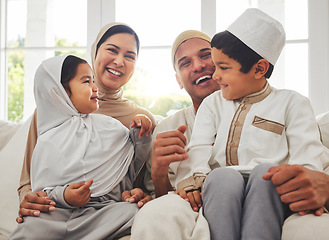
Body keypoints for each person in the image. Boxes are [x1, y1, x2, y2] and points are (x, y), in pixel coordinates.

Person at [175, 8, 324, 240]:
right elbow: (199, 148)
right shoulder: (213, 104)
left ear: (259, 69)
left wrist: (305, 187)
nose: (215, 76)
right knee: (222, 177)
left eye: (223, 68)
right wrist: (196, 180)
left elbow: (308, 155)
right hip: (222, 185)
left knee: (267, 173)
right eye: (216, 66)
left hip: (269, 186)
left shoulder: (293, 103)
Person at [16, 23, 155, 223]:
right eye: (112, 50)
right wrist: (30, 201)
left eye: (130, 56)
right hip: (58, 212)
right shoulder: (52, 112)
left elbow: (139, 182)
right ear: (95, 52)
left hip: (111, 216)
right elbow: (29, 181)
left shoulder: (141, 120)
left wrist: (137, 196)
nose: (119, 61)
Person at [130, 30, 220, 240]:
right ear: (179, 80)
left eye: (205, 55)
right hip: (184, 210)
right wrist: (159, 173)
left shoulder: (255, 113)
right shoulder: (167, 129)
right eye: (185, 63)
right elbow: (162, 198)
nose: (198, 66)